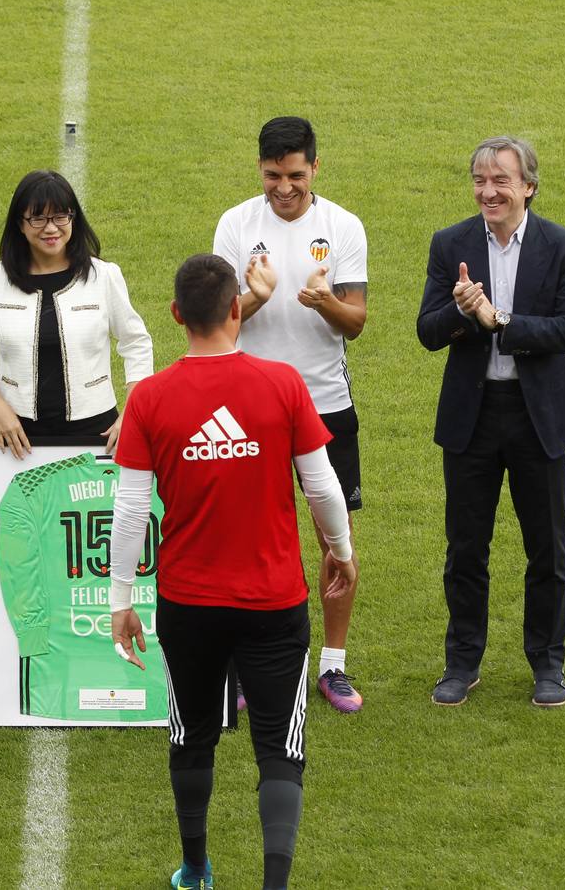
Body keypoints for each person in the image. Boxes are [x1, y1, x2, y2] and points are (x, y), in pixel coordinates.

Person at [109, 254, 358, 890]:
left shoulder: (151, 398)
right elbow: (323, 487)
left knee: (192, 735)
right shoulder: (282, 385)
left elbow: (132, 507)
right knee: (280, 746)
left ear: (174, 316)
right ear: (236, 310)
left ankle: (195, 869)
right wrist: (341, 550)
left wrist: (119, 601)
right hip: (274, 600)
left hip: (189, 603)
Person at [417, 136, 565, 708]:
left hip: (539, 418)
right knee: (466, 548)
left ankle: (548, 664)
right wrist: (464, 314)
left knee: (548, 550)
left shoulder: (564, 246)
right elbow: (427, 331)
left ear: (528, 188)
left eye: (502, 181)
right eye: (480, 180)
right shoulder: (451, 244)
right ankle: (462, 662)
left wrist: (501, 320)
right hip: (473, 417)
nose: (489, 191)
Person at [213, 116, 369, 714]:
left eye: (296, 176)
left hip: (326, 404)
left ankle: (333, 666)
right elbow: (219, 322)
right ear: (260, 169)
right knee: (255, 540)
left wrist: (323, 300)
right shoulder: (235, 224)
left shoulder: (342, 226)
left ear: (315, 169)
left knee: (337, 537)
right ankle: (255, 669)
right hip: (250, 407)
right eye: (274, 176)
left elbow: (356, 320)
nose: (284, 188)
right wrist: (255, 296)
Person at [0, 170, 153, 457]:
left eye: (61, 216)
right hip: (19, 436)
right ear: (20, 224)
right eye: (38, 218)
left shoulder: (105, 276)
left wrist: (132, 413)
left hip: (99, 430)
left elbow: (137, 344)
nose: (51, 228)